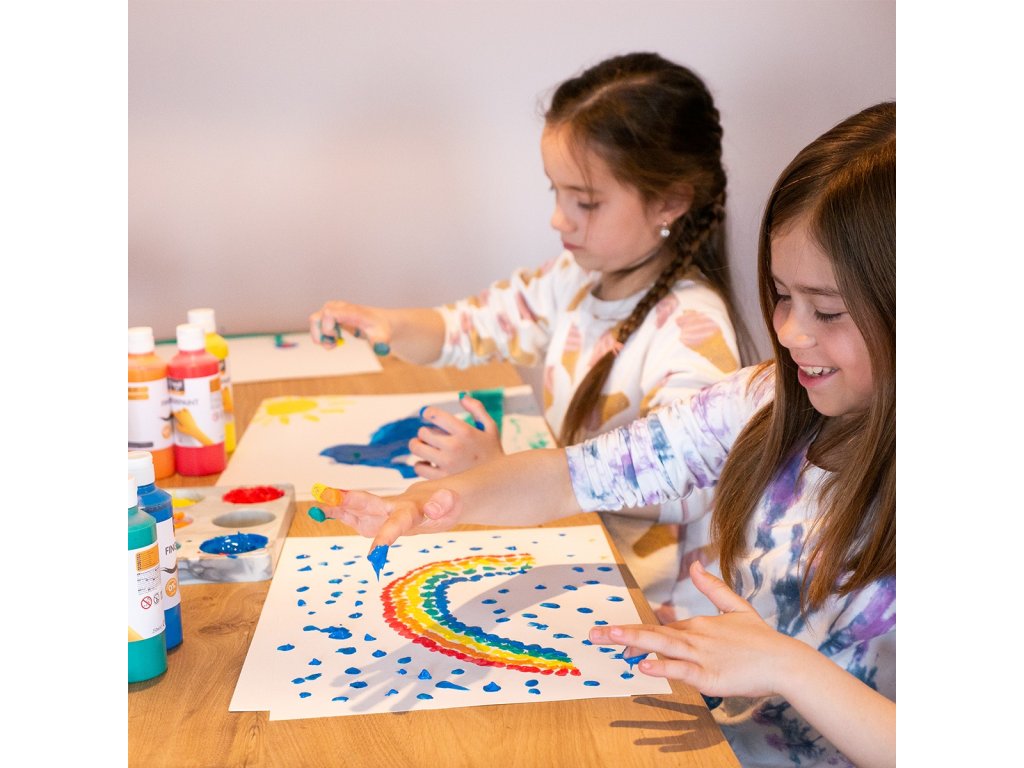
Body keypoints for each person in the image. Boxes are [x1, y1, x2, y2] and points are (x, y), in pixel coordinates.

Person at [318, 100, 896, 768]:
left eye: (827, 310)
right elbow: (578, 474)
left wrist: (787, 666)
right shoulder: (762, 401)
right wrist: (439, 502)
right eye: (781, 295)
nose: (790, 332)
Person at [309, 52, 751, 619]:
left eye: (585, 201)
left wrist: (502, 468)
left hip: (653, 610)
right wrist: (388, 325)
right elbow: (472, 326)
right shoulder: (573, 279)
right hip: (576, 559)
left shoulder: (692, 328)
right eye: (555, 193)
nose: (559, 220)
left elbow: (686, 483)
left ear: (670, 200)